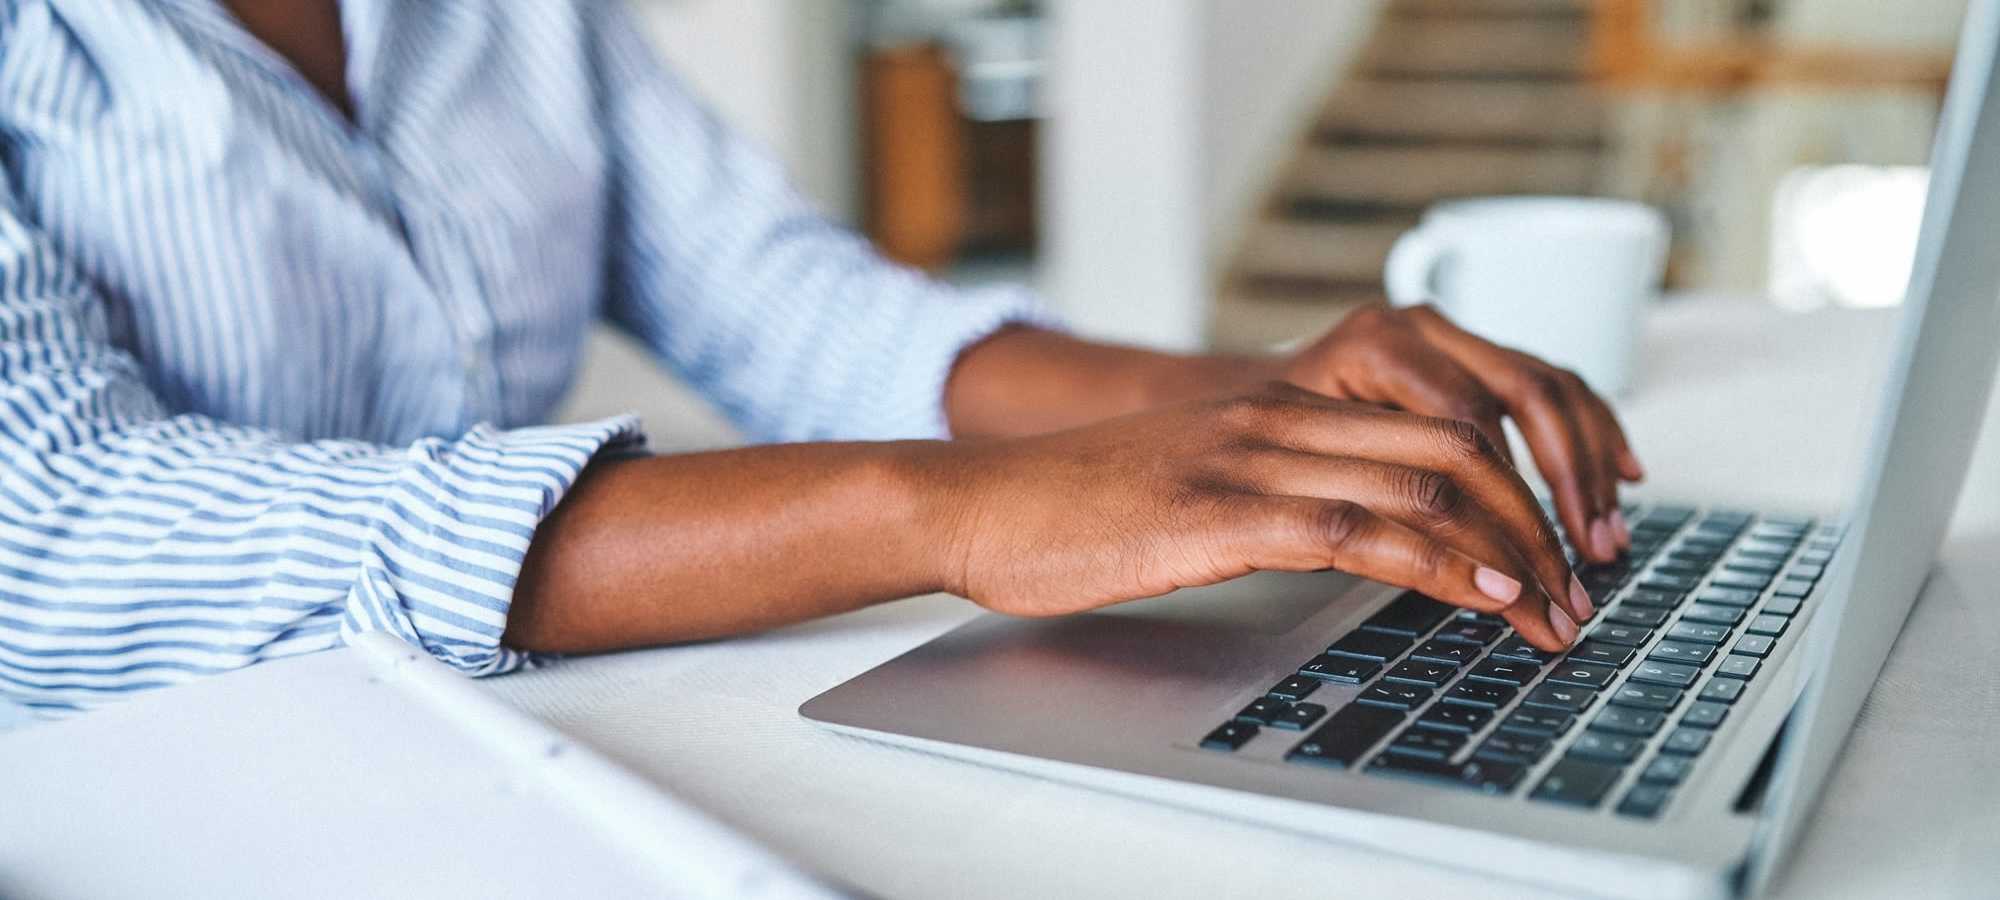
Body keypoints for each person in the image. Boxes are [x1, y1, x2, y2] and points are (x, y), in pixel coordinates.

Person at [0, 0, 1639, 716]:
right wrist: (948, 513)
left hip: (495, 755)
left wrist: (1264, 399)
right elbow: (59, 534)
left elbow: (788, 304)